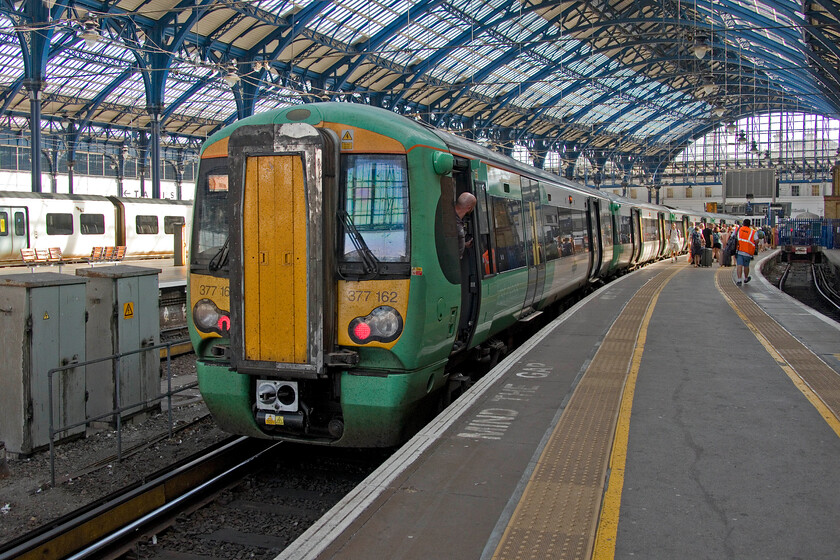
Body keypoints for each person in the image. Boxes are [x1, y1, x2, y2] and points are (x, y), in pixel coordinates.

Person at [735, 218, 758, 286]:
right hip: (748, 251)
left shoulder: (738, 229)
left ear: (743, 224)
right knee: (746, 265)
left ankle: (739, 280)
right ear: (749, 225)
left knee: (739, 265)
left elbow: (733, 237)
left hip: (739, 250)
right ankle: (745, 278)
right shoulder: (753, 232)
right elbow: (756, 241)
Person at [455, 192, 477, 259]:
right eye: (472, 208)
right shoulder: (454, 224)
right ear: (469, 208)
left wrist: (464, 244)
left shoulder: (456, 219)